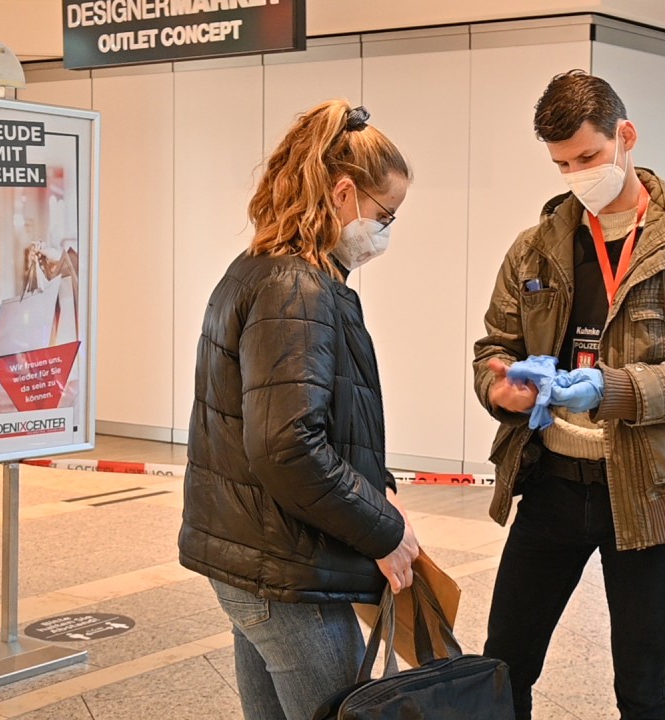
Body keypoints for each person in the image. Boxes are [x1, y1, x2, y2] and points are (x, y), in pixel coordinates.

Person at [474, 70, 665, 720]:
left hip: (648, 493)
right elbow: (492, 347)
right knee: (502, 664)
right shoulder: (538, 247)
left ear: (625, 137)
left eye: (589, 157)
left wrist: (616, 388)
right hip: (551, 483)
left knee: (639, 681)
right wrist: (502, 387)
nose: (578, 175)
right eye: (562, 164)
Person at [178, 100, 420, 720]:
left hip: (258, 555)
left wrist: (375, 490)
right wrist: (383, 530)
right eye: (386, 214)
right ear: (344, 194)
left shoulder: (259, 269)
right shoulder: (296, 286)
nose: (388, 231)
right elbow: (289, 445)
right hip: (283, 566)